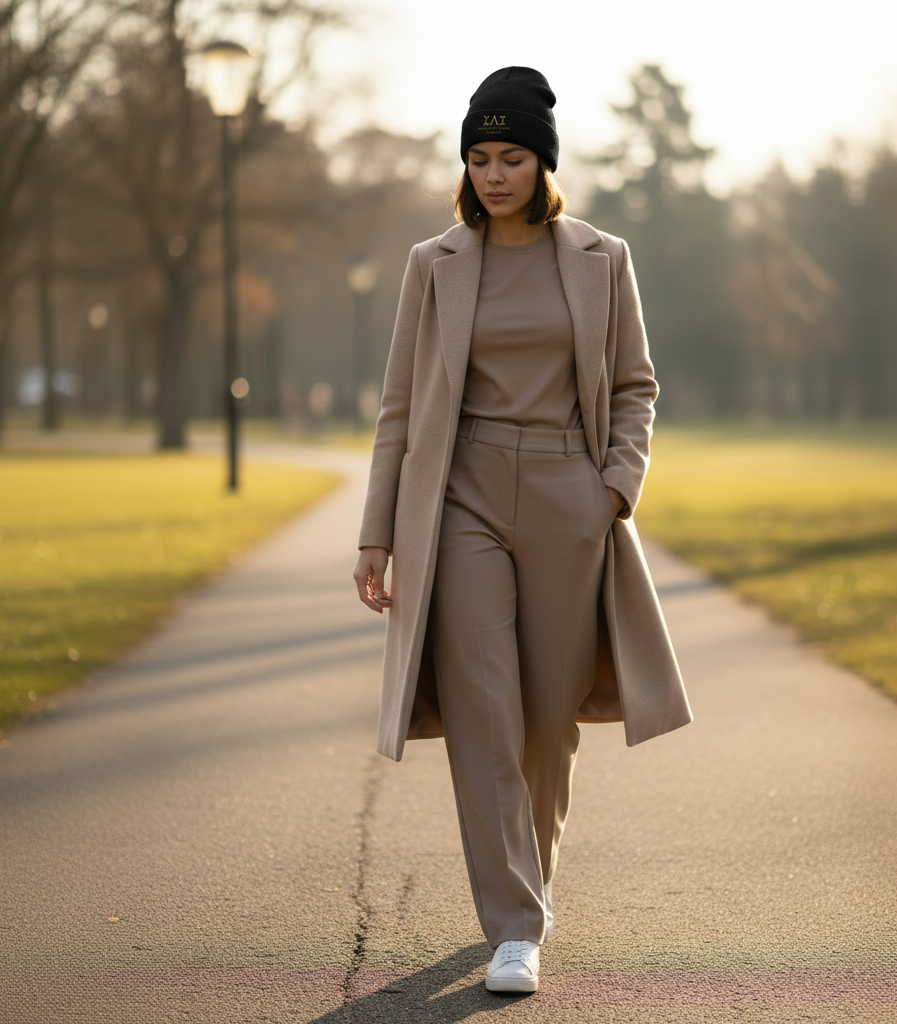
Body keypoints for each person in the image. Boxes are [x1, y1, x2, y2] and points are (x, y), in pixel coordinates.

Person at [352, 66, 692, 994]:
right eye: (479, 157)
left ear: (543, 164)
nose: (494, 173)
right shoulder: (433, 263)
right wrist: (378, 531)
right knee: (483, 708)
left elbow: (635, 386)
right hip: (458, 496)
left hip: (566, 494)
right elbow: (398, 406)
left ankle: (528, 890)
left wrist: (612, 491)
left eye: (511, 157)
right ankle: (514, 925)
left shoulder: (601, 257)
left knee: (546, 717)